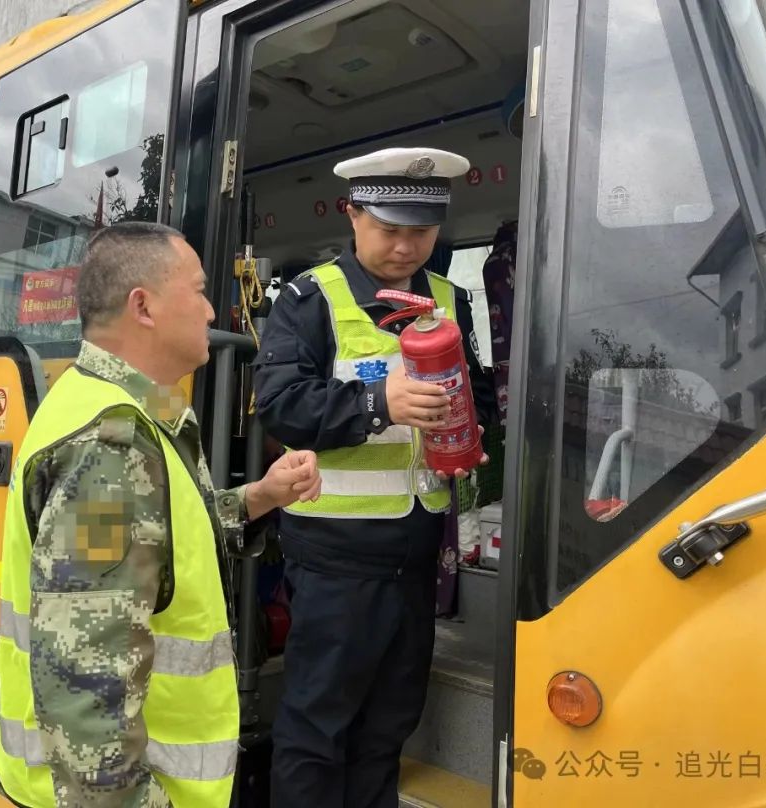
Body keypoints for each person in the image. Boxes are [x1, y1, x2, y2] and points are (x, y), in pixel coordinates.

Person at [0, 222, 322, 808]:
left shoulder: (124, 401)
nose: (211, 308)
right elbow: (84, 690)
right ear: (143, 307)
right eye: (196, 290)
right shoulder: (108, 448)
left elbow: (161, 541)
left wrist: (259, 497)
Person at [252, 147, 497, 808]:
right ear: (352, 214)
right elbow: (279, 407)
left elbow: (479, 392)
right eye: (389, 227)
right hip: (335, 560)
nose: (405, 245)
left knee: (388, 728)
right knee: (316, 730)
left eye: (421, 230)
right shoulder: (311, 299)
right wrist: (375, 404)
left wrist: (473, 440)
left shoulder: (448, 299)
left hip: (416, 559)